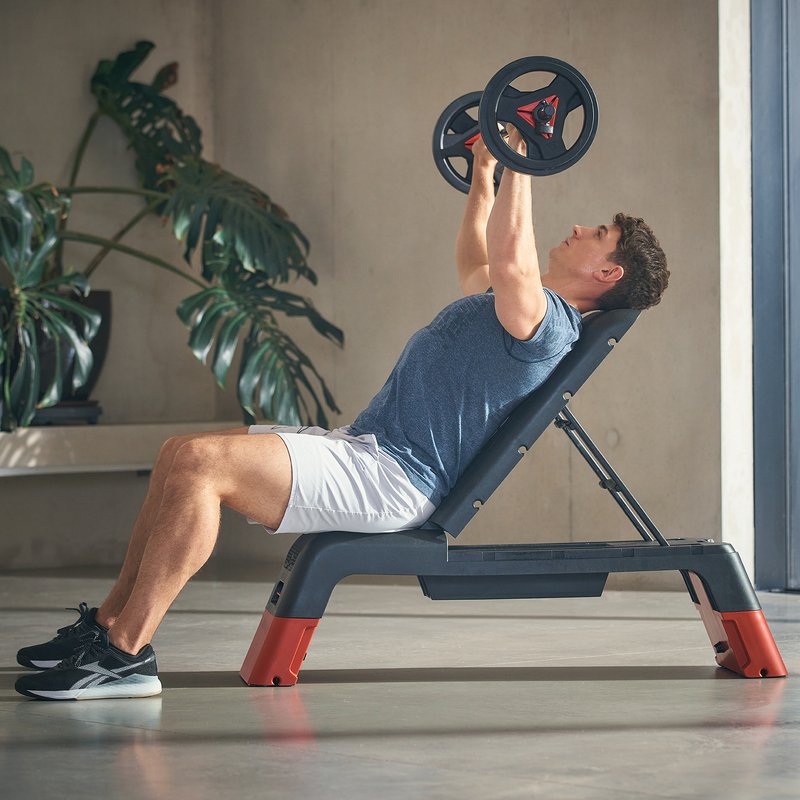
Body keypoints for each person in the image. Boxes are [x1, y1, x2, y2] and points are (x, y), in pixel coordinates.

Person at [14, 128, 668, 700]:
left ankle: (126, 655)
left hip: (394, 479)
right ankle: (106, 627)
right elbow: (478, 259)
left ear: (608, 274)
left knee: (201, 465)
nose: (578, 228)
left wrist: (519, 160)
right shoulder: (517, 306)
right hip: (367, 452)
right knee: (176, 455)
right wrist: (484, 173)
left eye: (597, 235)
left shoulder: (550, 327)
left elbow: (507, 258)